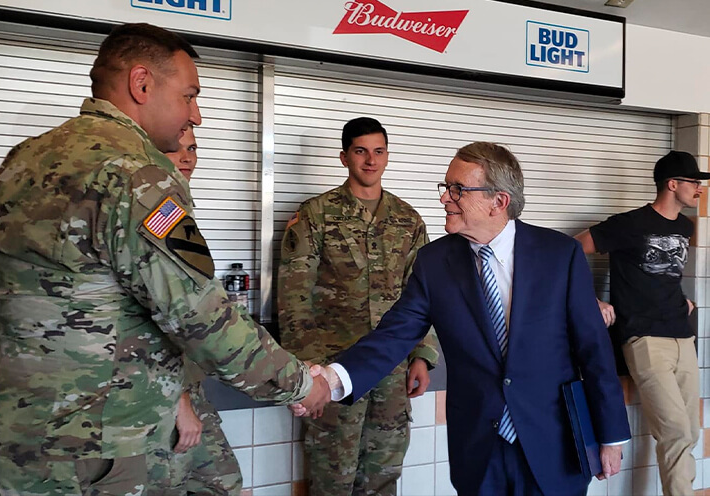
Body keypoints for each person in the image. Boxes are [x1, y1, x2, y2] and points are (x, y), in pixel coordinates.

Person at [0, 23, 329, 495]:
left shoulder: (24, 158)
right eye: (189, 96)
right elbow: (201, 318)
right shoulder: (135, 174)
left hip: (13, 433)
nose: (195, 115)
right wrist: (302, 385)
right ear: (141, 84)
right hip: (97, 443)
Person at [298, 142, 631, 496]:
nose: (445, 198)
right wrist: (331, 380)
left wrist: (610, 435)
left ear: (498, 202)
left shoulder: (560, 255)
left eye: (457, 189)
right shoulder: (433, 262)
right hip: (478, 447)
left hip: (554, 443)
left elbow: (593, 350)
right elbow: (393, 336)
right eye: (446, 187)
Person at [278, 117, 439, 496]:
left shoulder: (408, 219)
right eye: (361, 151)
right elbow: (293, 298)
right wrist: (310, 371)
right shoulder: (316, 215)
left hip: (392, 367)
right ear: (344, 157)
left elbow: (424, 292)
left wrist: (423, 355)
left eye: (379, 151)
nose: (371, 160)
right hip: (334, 366)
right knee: (333, 476)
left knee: (384, 473)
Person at [575, 150, 707, 495]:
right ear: (672, 184)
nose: (699, 189)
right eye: (694, 182)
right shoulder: (628, 224)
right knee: (676, 430)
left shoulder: (685, 226)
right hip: (644, 339)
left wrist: (684, 301)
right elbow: (569, 250)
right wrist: (591, 300)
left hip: (682, 336)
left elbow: (664, 276)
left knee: (690, 430)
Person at [163, 126, 242, 495]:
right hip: (155, 396)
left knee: (223, 483)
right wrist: (177, 401)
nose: (187, 157)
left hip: (189, 388)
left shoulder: (176, 212)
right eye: (176, 150)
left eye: (192, 147)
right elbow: (135, 322)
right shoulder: (151, 210)